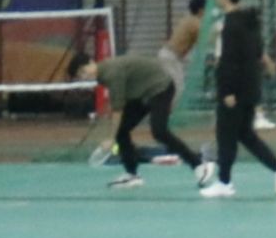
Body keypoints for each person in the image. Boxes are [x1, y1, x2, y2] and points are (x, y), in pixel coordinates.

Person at [202, 0, 276, 199]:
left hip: (235, 90)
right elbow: (258, 52)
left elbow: (230, 60)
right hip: (251, 86)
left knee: (225, 135)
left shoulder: (230, 25)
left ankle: (224, 183)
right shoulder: (249, 21)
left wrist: (227, 91)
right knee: (245, 134)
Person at [78, 52, 212, 191]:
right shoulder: (103, 75)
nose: (83, 76)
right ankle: (132, 175)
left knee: (159, 131)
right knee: (121, 129)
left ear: (91, 62)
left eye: (83, 70)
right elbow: (119, 100)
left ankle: (199, 165)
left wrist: (111, 138)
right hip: (142, 93)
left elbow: (118, 110)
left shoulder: (111, 73)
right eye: (80, 75)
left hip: (161, 87)